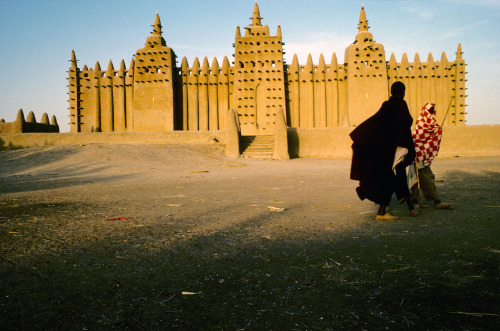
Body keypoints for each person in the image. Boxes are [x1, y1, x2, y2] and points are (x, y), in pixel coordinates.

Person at [350, 81, 416, 221]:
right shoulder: (401, 105)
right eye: (403, 91)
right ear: (402, 92)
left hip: (383, 150)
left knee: (393, 177)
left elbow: (375, 123)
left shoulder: (386, 106)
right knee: (395, 178)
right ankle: (387, 211)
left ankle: (406, 205)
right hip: (396, 150)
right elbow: (408, 122)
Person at [411, 102, 453, 209]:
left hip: (421, 156)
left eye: (432, 110)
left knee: (417, 178)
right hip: (419, 156)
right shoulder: (421, 122)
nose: (431, 112)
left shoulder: (430, 122)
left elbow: (430, 136)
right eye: (430, 110)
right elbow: (420, 137)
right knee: (427, 177)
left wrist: (436, 131)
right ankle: (436, 201)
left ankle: (415, 201)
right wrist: (435, 131)